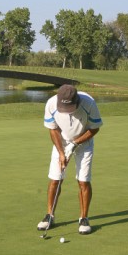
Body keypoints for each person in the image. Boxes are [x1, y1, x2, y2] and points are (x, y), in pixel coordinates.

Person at [37, 84, 103, 235]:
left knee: (83, 180)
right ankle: (49, 216)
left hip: (84, 142)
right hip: (62, 142)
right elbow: (52, 129)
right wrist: (61, 152)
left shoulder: (89, 103)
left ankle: (84, 218)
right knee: (55, 179)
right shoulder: (51, 104)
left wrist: (75, 143)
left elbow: (94, 128)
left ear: (77, 101)